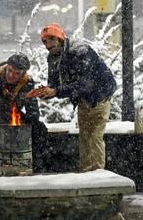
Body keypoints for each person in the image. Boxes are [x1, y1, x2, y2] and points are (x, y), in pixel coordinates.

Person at [32, 23, 117, 172]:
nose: (48, 45)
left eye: (51, 40)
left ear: (59, 39)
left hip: (100, 95)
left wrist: (55, 91)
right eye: (45, 42)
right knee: (85, 137)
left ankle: (98, 174)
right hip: (83, 99)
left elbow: (85, 83)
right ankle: (86, 172)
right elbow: (54, 84)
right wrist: (45, 91)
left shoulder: (80, 51)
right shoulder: (52, 57)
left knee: (95, 137)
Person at [0, 53, 48, 172]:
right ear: (7, 67)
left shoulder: (27, 83)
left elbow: (33, 111)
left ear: (23, 74)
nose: (11, 75)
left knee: (39, 128)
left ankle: (37, 164)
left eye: (16, 73)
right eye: (10, 70)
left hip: (15, 114)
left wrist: (29, 120)